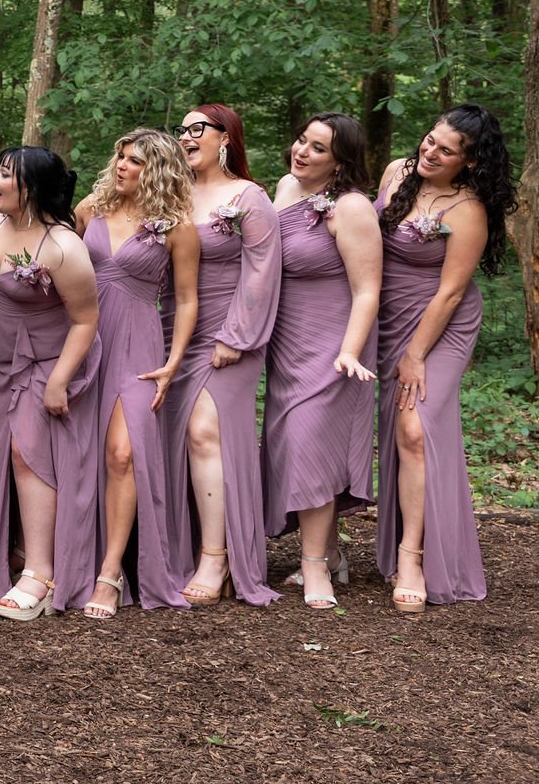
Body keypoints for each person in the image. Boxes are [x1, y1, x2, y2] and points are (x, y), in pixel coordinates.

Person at [374, 103, 513, 607]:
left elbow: (451, 293)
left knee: (414, 427)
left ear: (469, 161)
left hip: (441, 323)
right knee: (398, 429)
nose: (430, 152)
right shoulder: (397, 172)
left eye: (446, 151)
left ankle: (412, 556)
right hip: (390, 315)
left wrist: (415, 355)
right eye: (430, 140)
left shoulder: (467, 209)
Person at [0, 147, 101, 620]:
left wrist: (59, 380)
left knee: (28, 451)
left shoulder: (63, 246)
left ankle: (41, 573)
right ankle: (11, 550)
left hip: (46, 358)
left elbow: (86, 320)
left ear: (32, 189)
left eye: (4, 174)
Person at [162, 104, 281, 606]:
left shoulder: (248, 197)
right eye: (182, 130)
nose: (186, 137)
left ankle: (218, 557)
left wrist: (237, 335)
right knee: (175, 439)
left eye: (198, 129)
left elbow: (262, 270)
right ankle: (178, 547)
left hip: (228, 333)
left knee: (204, 431)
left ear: (225, 137)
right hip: (172, 329)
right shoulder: (171, 191)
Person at [75, 129, 196, 616]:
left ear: (158, 171)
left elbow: (186, 298)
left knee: (123, 454)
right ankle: (70, 561)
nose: (122, 166)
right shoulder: (90, 209)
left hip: (139, 345)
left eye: (136, 161)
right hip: (85, 341)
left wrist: (172, 362)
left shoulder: (176, 227)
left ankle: (110, 573)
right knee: (81, 453)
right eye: (121, 157)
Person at [265, 113, 380, 610]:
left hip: (334, 343)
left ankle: (314, 565)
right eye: (301, 140)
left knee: (311, 445)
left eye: (318, 148)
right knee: (296, 445)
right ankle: (331, 553)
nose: (302, 151)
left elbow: (368, 289)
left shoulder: (351, 207)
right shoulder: (285, 188)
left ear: (340, 161)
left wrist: (349, 350)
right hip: (287, 341)